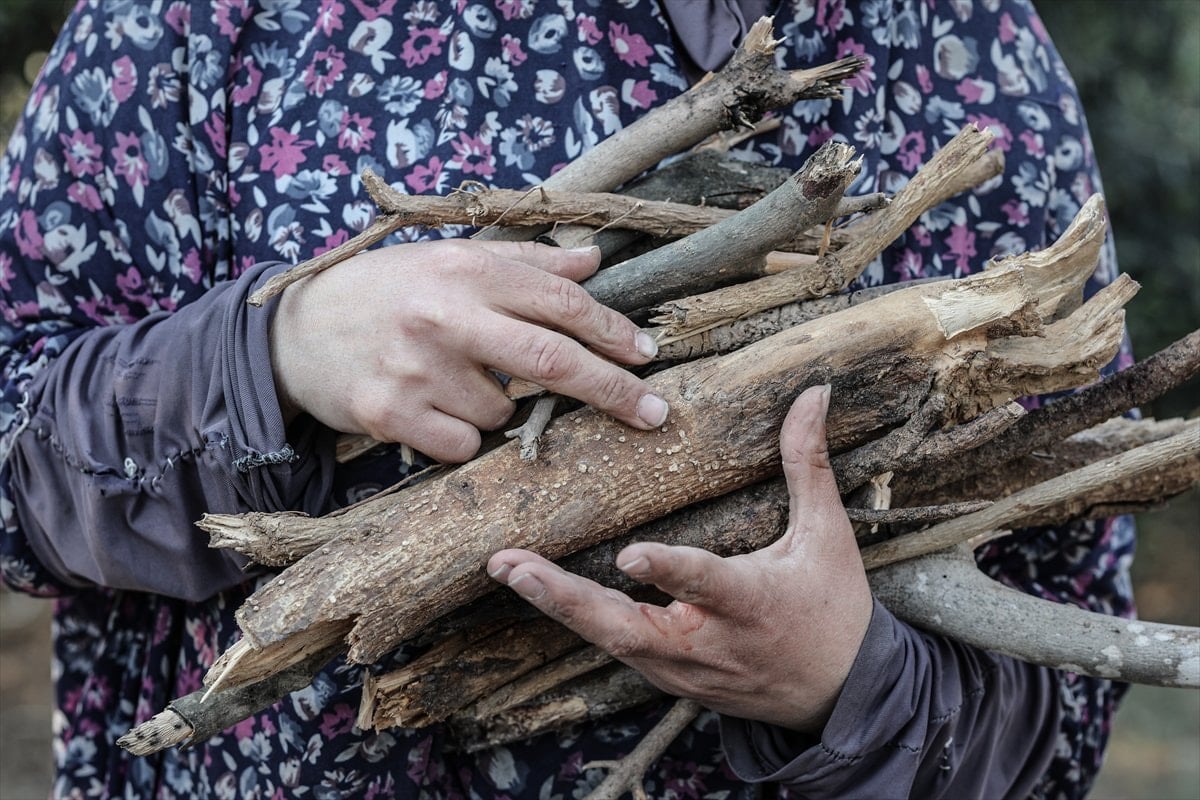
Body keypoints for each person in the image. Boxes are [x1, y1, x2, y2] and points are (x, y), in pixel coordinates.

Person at [0, 1, 1134, 797]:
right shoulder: (205, 25)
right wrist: (280, 348)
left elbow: (1071, 663)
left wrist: (849, 683)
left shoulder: (968, 52)